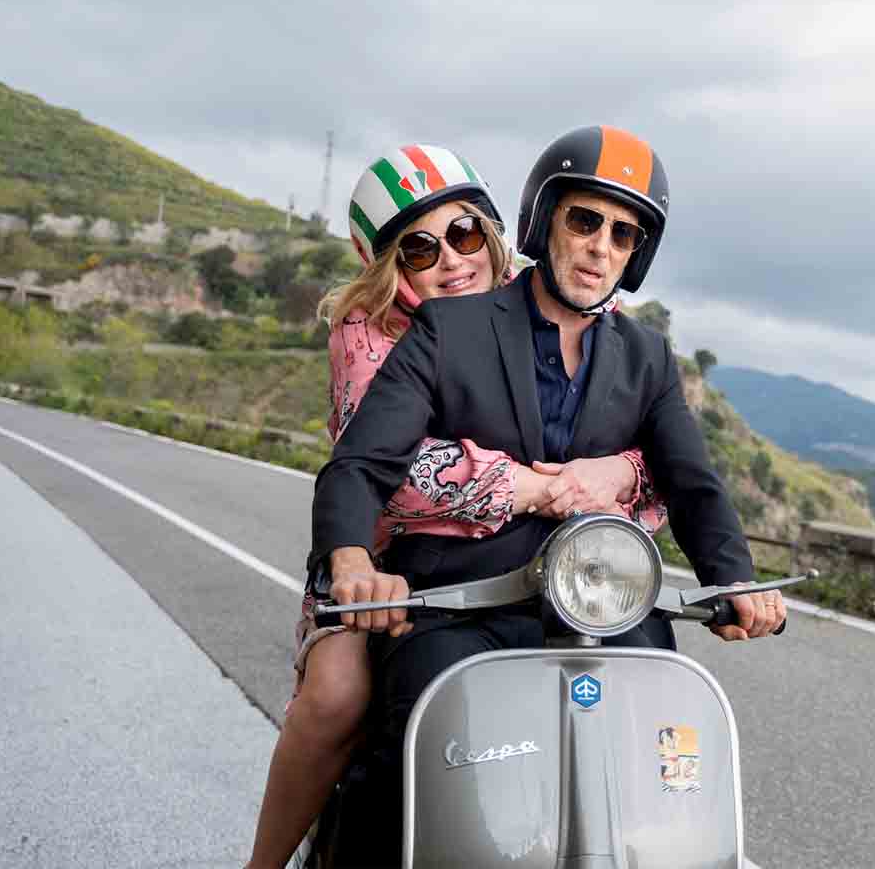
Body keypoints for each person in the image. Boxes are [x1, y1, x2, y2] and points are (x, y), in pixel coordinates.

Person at [310, 125, 788, 768]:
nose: (600, 248)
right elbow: (362, 463)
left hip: (604, 603)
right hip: (456, 609)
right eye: (585, 221)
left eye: (623, 235)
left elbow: (692, 481)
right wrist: (350, 562)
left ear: (636, 256)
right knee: (421, 752)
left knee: (666, 754)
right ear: (543, 220)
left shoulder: (646, 356)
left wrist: (735, 581)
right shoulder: (448, 327)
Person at [245, 144, 665, 869]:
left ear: (496, 230)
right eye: (419, 248)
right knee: (338, 698)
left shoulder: (556, 301)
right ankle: (265, 863)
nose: (452, 260)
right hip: (384, 561)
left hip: (548, 564)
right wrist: (532, 485)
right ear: (387, 267)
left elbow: (652, 436)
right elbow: (393, 471)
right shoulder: (365, 332)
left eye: (465, 233)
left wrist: (613, 471)